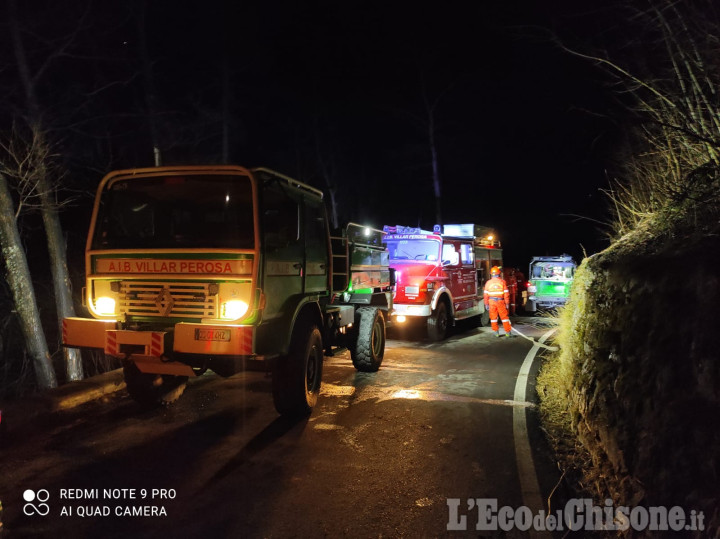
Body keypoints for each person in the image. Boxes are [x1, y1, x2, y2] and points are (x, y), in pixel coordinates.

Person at [484, 266, 513, 337]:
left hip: (491, 302)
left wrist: (486, 304)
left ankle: (496, 333)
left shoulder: (488, 283)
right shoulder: (502, 282)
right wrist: (507, 303)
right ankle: (508, 333)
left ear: (491, 274)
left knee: (493, 318)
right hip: (500, 302)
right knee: (504, 317)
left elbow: (485, 295)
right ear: (499, 273)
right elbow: (506, 294)